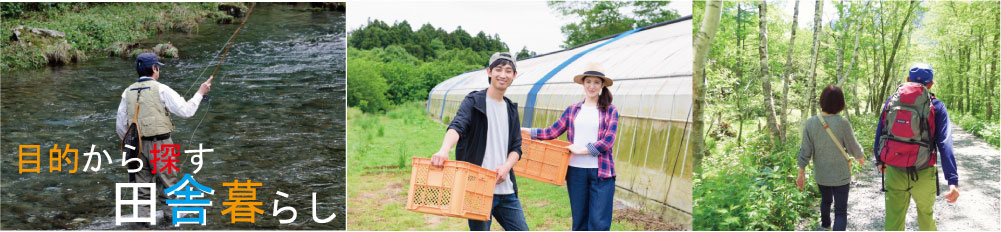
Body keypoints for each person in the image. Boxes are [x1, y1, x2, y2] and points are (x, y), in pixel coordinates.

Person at [430, 52, 529, 231]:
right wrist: (444, 149)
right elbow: (457, 126)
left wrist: (506, 167)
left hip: (506, 190)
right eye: (498, 69)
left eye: (508, 71)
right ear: (489, 72)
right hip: (477, 188)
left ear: (514, 75)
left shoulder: (511, 109)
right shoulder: (474, 101)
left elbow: (516, 147)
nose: (503, 75)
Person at [115, 53, 213, 226]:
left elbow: (121, 126)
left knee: (141, 190)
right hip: (161, 145)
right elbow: (186, 111)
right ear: (154, 68)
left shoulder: (126, 92)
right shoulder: (161, 89)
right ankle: (171, 223)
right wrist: (200, 92)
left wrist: (133, 142)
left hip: (135, 148)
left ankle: (142, 226)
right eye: (157, 66)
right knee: (169, 187)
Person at [521, 64, 619, 231]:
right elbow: (552, 132)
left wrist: (582, 150)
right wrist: (524, 130)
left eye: (596, 82)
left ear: (602, 85)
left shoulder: (610, 110)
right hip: (576, 172)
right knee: (579, 221)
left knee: (599, 223)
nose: (592, 86)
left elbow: (608, 140)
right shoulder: (573, 110)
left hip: (601, 172)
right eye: (588, 81)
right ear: (583, 84)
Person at [874, 63, 959, 231]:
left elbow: (881, 131)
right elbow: (945, 143)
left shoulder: (891, 102)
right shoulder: (937, 107)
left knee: (893, 220)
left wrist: (879, 160)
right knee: (926, 218)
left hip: (894, 169)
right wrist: (952, 180)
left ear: (907, 80)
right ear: (931, 84)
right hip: (923, 170)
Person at [796, 85, 866, 231]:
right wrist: (860, 156)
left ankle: (825, 225)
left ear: (822, 101)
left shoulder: (810, 123)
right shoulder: (842, 123)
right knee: (840, 211)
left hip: (822, 174)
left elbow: (805, 151)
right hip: (841, 175)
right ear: (841, 103)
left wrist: (800, 172)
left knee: (826, 201)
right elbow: (853, 146)